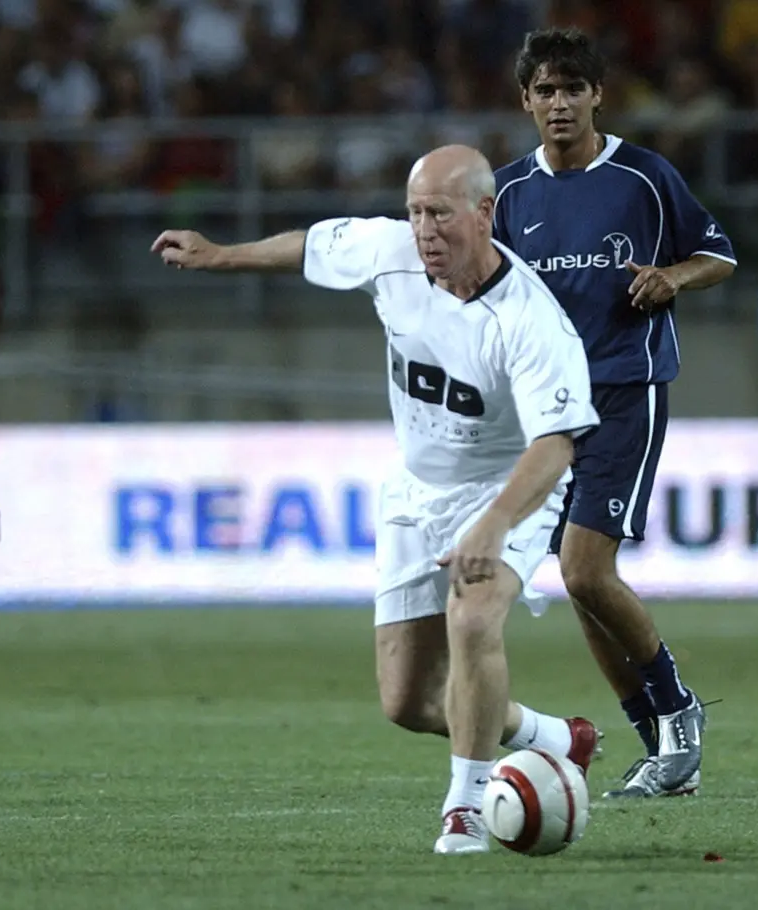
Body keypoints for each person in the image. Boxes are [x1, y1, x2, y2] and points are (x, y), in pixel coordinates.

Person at [152, 144, 602, 855]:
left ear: (485, 214)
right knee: (408, 703)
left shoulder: (530, 319)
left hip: (505, 486)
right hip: (415, 488)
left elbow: (555, 446)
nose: (424, 230)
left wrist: (493, 523)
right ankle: (553, 736)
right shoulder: (388, 252)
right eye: (416, 212)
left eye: (440, 214)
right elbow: (309, 247)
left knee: (475, 616)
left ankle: (467, 807)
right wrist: (218, 254)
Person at [493, 27, 737, 798]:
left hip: (626, 390)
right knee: (580, 582)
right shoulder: (507, 194)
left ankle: (680, 715)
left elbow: (720, 253)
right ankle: (663, 748)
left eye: (573, 88)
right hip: (543, 413)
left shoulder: (642, 175)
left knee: (583, 567)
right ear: (525, 101)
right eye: (545, 91)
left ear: (597, 95)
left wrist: (672, 277)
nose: (559, 103)